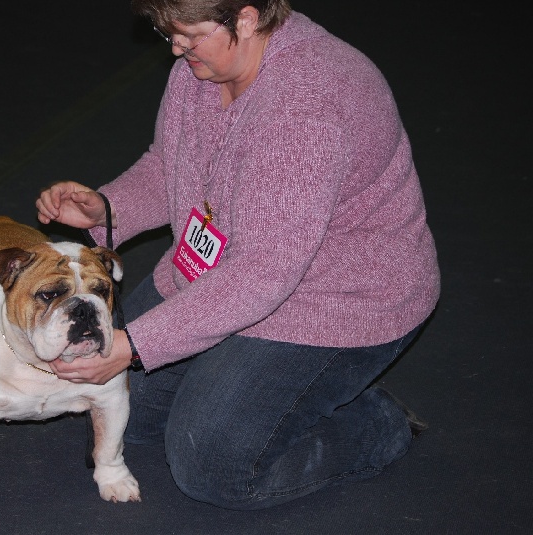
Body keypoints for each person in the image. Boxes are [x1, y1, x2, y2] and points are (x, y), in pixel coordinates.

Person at [35, 0, 439, 510]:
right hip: (218, 277)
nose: (178, 49)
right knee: (121, 414)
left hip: (334, 305)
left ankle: (375, 421)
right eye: (169, 35)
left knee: (211, 464)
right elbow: (170, 166)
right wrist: (106, 206)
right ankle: (245, 383)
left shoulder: (305, 107)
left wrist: (135, 344)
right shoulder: (201, 68)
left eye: (190, 35)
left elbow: (261, 275)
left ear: (246, 19)